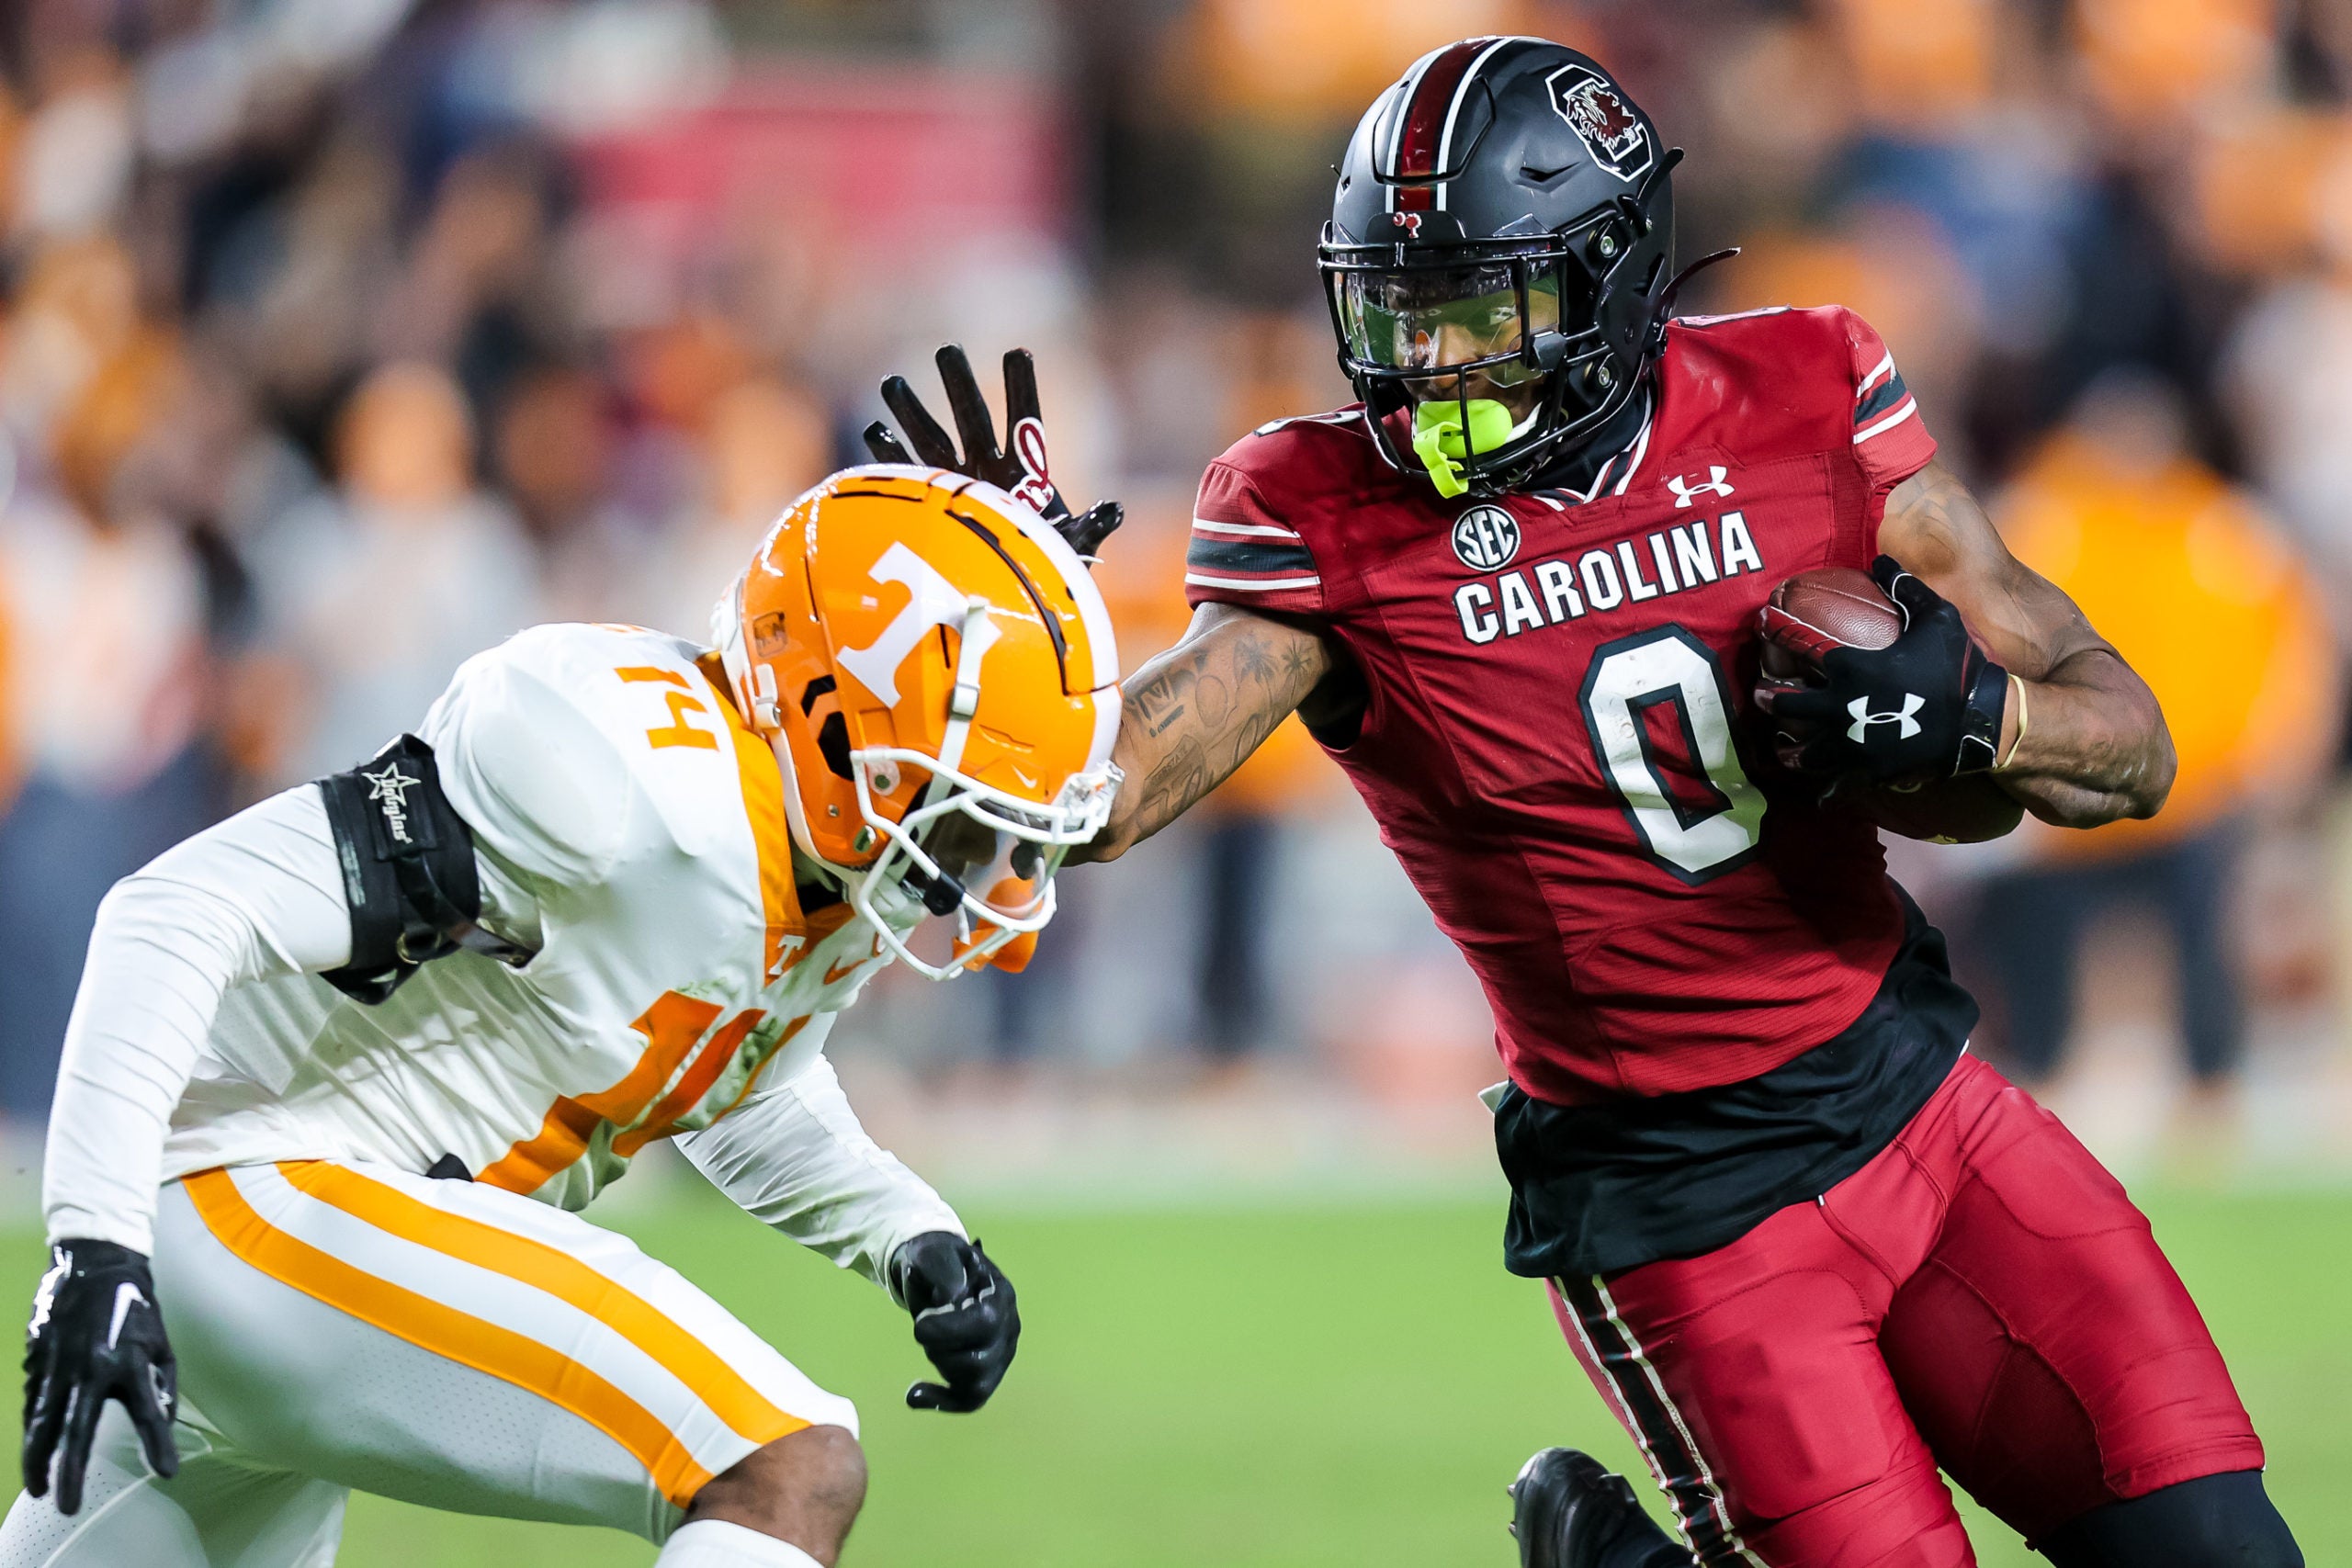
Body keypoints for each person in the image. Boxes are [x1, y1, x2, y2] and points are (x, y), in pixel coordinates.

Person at [871, 39, 2299, 1568]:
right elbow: (1098, 791)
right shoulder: (1321, 515)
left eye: (1477, 311)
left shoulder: (1803, 393)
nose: (1428, 366)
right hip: (1683, 1206)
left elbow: (2131, 747)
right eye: (1396, 311)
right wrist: (1005, 621)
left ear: (1609, 281)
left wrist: (1975, 715)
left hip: (1927, 1105)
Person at [6, 461, 1125, 1568]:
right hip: (251, 1203)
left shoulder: (805, 859)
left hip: (284, 1259)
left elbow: (722, 1073)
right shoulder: (616, 780)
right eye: (966, 819)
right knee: (786, 1467)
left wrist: (907, 1235)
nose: (980, 875)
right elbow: (175, 910)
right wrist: (93, 1248)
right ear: (834, 719)